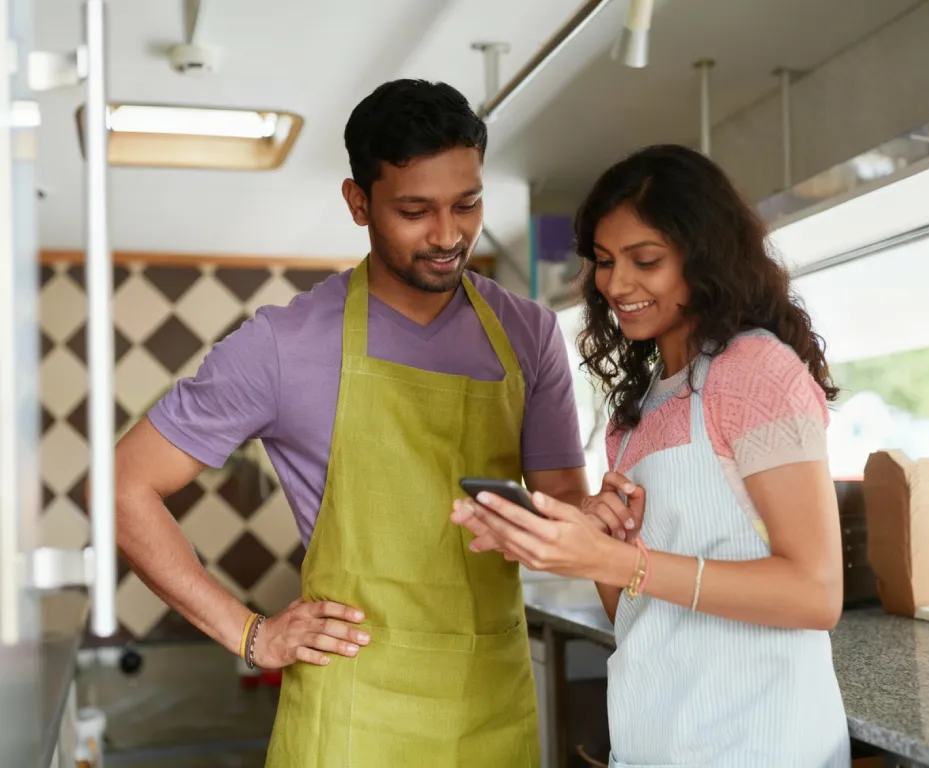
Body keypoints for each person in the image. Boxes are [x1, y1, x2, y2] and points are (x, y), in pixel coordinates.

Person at [109, 79, 589, 767]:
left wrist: (600, 519)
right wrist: (250, 636)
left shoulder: (530, 332)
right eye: (416, 210)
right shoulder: (284, 344)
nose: (449, 235)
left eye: (468, 203)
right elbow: (125, 487)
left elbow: (562, 506)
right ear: (358, 202)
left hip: (490, 704)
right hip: (353, 717)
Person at [452, 144, 851, 767]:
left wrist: (621, 559)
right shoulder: (631, 418)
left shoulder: (754, 371)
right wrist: (579, 540)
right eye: (606, 262)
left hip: (757, 744)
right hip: (656, 741)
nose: (616, 284)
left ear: (704, 255)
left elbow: (816, 593)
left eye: (646, 260)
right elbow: (635, 616)